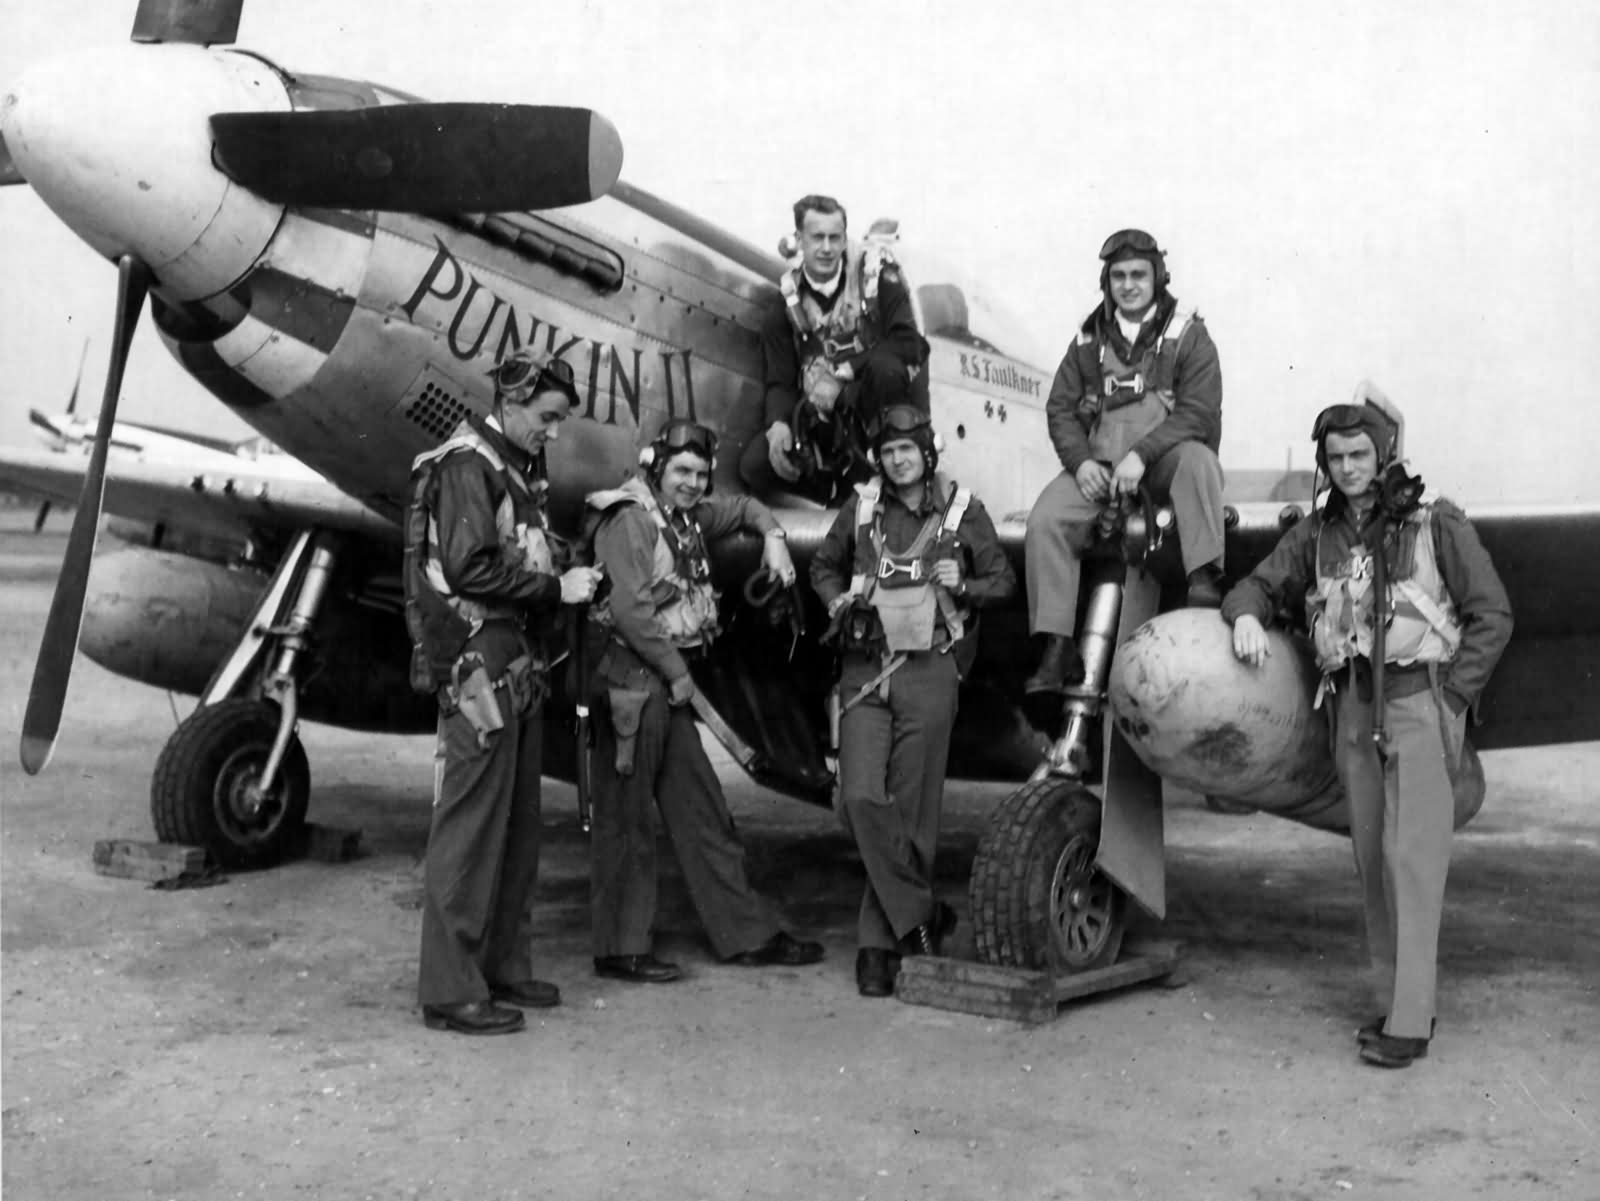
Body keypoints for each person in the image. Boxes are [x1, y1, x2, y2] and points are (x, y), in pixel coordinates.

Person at [1220, 385, 1512, 1068]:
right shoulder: (1316, 532)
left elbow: (1492, 613)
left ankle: (1410, 1022)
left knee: (1412, 864)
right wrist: (1243, 615)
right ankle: (1396, 1002)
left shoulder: (1436, 521)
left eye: (1360, 453)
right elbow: (1256, 586)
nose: (1349, 467)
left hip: (1418, 702)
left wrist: (1455, 697)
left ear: (1383, 454)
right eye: (1337, 455)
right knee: (1373, 862)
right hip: (1352, 707)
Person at [402, 348, 605, 1035]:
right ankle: (450, 987)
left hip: (514, 654)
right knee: (470, 821)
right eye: (547, 417)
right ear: (512, 404)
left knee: (518, 822)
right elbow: (468, 567)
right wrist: (556, 588)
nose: (553, 431)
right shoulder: (468, 466)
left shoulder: (512, 469)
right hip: (478, 653)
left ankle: (503, 965)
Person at [584, 419, 825, 981]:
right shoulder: (630, 520)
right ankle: (620, 949)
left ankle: (746, 934)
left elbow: (743, 508)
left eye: (699, 473)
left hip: (666, 689)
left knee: (703, 812)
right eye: (680, 472)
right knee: (626, 822)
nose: (691, 483)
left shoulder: (686, 519)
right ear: (655, 469)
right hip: (634, 687)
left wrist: (774, 535)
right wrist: (678, 674)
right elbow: (629, 610)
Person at [809, 406, 1016, 997]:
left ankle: (879, 945)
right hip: (864, 669)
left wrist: (964, 583)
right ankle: (921, 914)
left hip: (929, 668)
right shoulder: (862, 508)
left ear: (928, 453)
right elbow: (824, 566)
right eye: (889, 451)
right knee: (860, 798)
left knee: (913, 812)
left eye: (908, 449)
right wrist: (836, 603)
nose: (898, 459)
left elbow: (1002, 582)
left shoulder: (961, 512)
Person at [1023, 228, 1226, 694]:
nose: (1129, 284)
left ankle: (1205, 586)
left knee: (1199, 464)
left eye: (1138, 274)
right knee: (1047, 519)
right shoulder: (1088, 340)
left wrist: (1141, 455)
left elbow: (1199, 412)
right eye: (1118, 276)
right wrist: (1080, 464)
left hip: (1164, 456)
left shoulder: (1188, 334)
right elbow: (1060, 409)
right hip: (1100, 463)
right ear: (1107, 281)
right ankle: (1056, 644)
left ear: (1158, 277)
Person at [741, 194, 928, 504]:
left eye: (834, 238)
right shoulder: (786, 304)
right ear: (799, 240)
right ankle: (830, 495)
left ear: (844, 240)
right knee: (755, 464)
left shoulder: (878, 277)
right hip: (823, 418)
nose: (826, 248)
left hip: (875, 407)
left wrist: (845, 373)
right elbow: (780, 380)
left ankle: (881, 480)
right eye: (817, 238)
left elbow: (911, 342)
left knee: (885, 367)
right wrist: (778, 424)